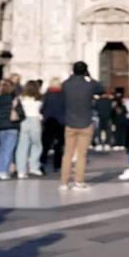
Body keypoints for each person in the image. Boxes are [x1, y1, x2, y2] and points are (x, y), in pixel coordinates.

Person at [60, 61, 103, 191]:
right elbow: (101, 89)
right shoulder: (89, 84)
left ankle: (64, 182)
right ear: (85, 71)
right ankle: (78, 182)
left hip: (70, 122)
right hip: (85, 122)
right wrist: (89, 77)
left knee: (68, 153)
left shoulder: (66, 84)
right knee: (81, 155)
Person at [0, 78, 24, 179]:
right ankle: (3, 171)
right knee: (8, 150)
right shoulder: (14, 100)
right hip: (12, 127)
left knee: (1, 150)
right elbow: (21, 114)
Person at [15, 79, 44, 178]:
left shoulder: (21, 97)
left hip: (24, 121)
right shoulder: (39, 98)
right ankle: (34, 167)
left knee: (22, 146)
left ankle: (21, 170)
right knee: (37, 145)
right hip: (35, 120)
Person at [40, 78, 66, 172]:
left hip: (49, 121)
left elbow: (42, 108)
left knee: (46, 144)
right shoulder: (64, 95)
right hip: (61, 122)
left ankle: (42, 162)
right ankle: (57, 165)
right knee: (59, 145)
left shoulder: (47, 95)